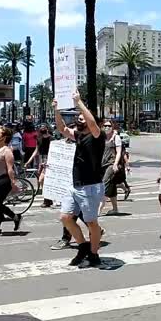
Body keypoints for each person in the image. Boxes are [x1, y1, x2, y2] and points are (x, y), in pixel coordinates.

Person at [51, 92, 105, 267]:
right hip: (74, 185)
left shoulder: (98, 136)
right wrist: (56, 110)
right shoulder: (80, 136)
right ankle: (83, 246)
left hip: (90, 186)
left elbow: (92, 124)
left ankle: (94, 253)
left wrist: (79, 102)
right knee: (65, 217)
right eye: (78, 117)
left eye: (82, 117)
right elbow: (62, 129)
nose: (79, 119)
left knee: (91, 222)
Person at [25, 124, 53, 207]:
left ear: (47, 128)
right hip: (41, 161)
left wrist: (48, 161)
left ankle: (47, 199)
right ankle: (47, 199)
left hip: (48, 161)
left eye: (43, 127)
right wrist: (28, 161)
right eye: (41, 127)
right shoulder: (39, 138)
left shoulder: (51, 139)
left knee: (41, 180)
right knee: (42, 180)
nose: (42, 129)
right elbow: (36, 151)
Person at [99, 121, 123, 215]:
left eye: (109, 126)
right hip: (101, 165)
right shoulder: (101, 137)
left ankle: (98, 209)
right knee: (111, 186)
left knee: (104, 184)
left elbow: (119, 152)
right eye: (105, 125)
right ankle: (115, 209)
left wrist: (115, 164)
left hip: (111, 164)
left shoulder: (116, 138)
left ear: (112, 127)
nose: (107, 127)